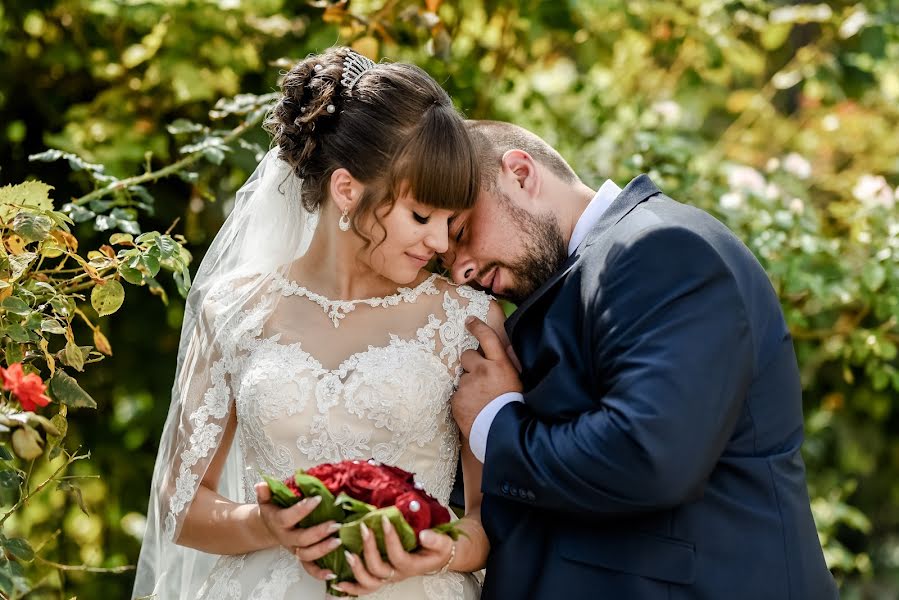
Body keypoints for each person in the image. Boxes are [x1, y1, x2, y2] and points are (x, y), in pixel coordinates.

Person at [133, 48, 504, 600]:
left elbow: (490, 521)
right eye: (422, 216)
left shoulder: (466, 319)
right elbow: (180, 504)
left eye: (451, 222)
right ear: (347, 191)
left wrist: (443, 549)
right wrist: (263, 525)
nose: (440, 243)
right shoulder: (234, 310)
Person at [443, 120, 839, 599]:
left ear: (521, 174)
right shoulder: (574, 275)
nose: (460, 269)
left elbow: (646, 455)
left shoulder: (662, 248)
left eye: (462, 230)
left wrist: (495, 423)